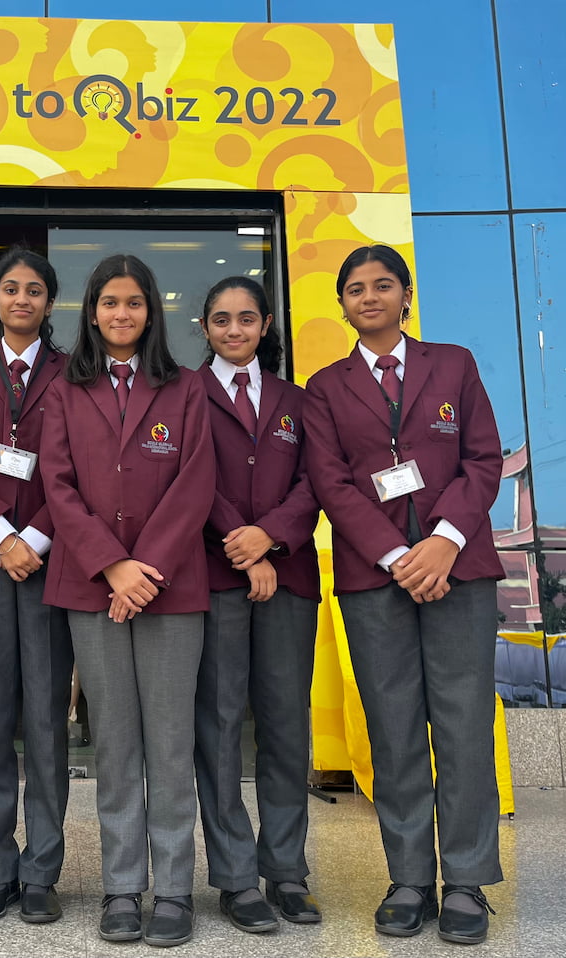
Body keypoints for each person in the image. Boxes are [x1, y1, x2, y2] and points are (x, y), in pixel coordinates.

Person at [305, 244, 504, 945]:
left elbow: (483, 460)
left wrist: (444, 541)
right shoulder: (324, 388)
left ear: (406, 294)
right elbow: (330, 483)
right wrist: (396, 556)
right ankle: (410, 879)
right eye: (355, 288)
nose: (369, 297)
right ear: (342, 303)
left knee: (463, 726)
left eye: (382, 285)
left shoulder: (453, 365)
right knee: (392, 730)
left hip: (459, 570)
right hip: (375, 577)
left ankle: (468, 881)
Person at [40, 254, 215, 947]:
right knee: (113, 743)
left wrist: (147, 570)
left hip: (171, 589)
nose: (121, 313)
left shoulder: (186, 386)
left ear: (151, 312)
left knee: (170, 743)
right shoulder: (65, 389)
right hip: (93, 587)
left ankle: (172, 890)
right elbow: (57, 485)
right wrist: (113, 566)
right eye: (109, 302)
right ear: (91, 312)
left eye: (134, 302)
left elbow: (196, 482)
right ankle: (121, 887)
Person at [192, 277, 322, 935]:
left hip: (289, 578)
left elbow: (317, 481)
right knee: (217, 727)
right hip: (214, 578)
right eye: (221, 319)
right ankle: (236, 876)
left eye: (246, 318)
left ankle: (287, 869)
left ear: (265, 324)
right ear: (204, 328)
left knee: (285, 726)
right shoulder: (185, 394)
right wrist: (243, 545)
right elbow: (189, 478)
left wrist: (270, 538)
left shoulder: (299, 401)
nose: (234, 330)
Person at [0, 248, 73, 924]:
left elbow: (82, 470)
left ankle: (42, 871)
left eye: (34, 290)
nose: (22, 299)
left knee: (46, 721)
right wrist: (2, 535)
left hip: (54, 561)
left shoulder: (76, 372)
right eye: (10, 288)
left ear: (49, 302)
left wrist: (37, 537)